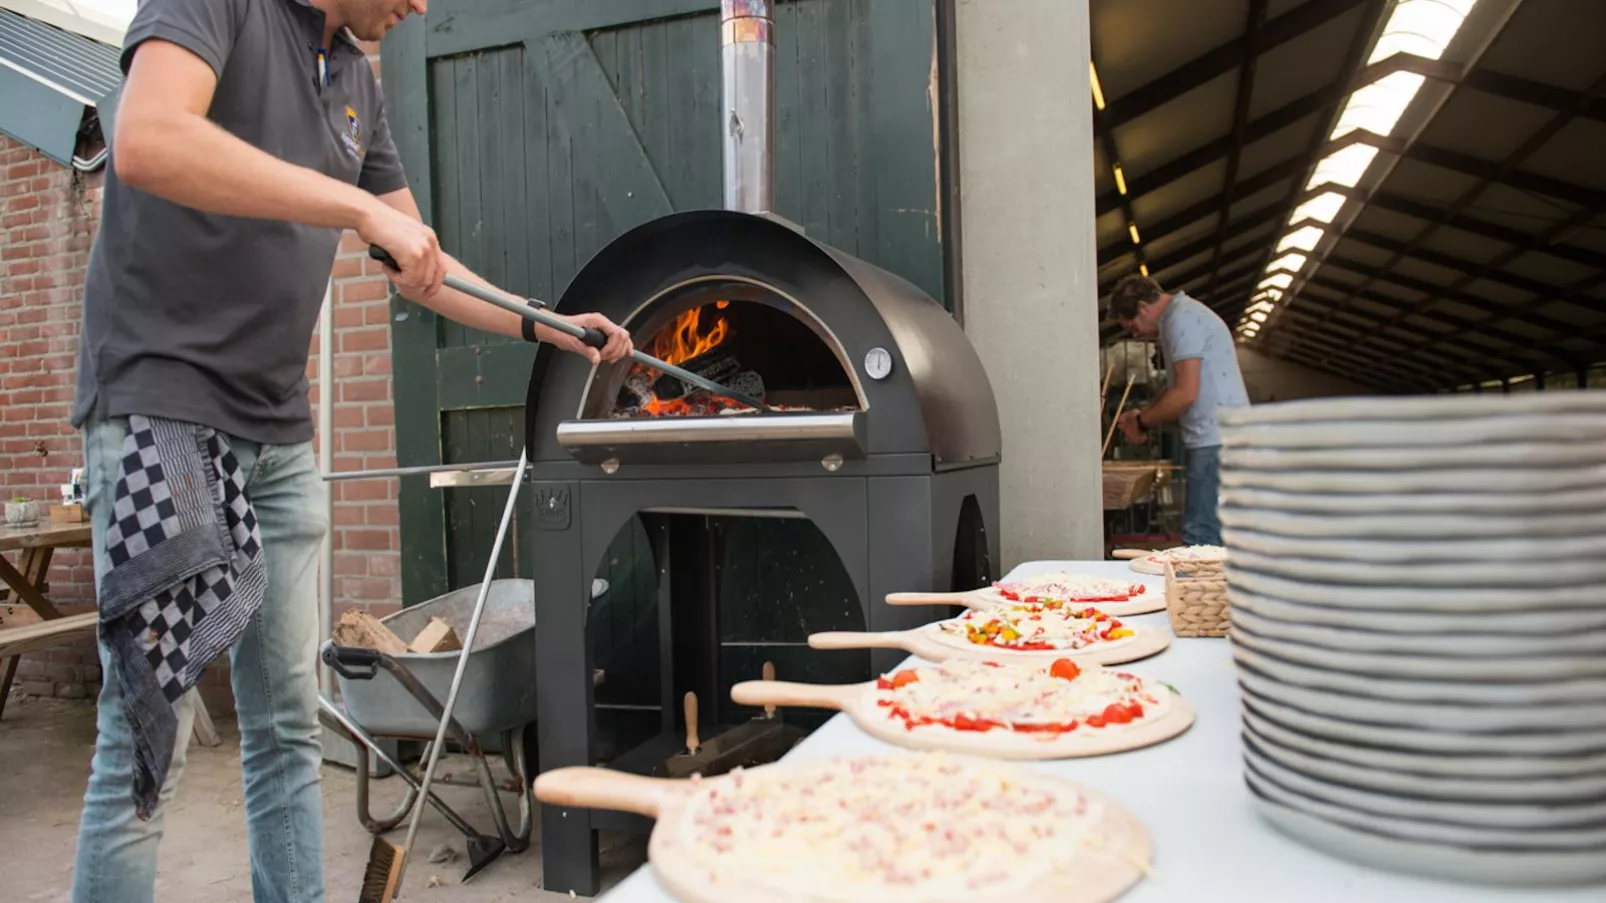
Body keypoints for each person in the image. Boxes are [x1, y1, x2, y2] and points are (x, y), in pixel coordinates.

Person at [67, 2, 633, 901]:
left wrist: (552, 325)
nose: (419, 5)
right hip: (160, 413)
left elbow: (425, 263)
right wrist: (355, 202)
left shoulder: (354, 79)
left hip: (278, 434)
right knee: (149, 733)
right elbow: (146, 139)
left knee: (290, 724)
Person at [1107, 275, 1248, 546]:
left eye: (1133, 325)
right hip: (1222, 437)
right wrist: (1141, 414)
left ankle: (1199, 590)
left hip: (1217, 440)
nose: (1136, 334)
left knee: (1201, 538)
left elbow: (1185, 394)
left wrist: (1143, 421)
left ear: (1142, 307)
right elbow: (1177, 389)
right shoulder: (1184, 316)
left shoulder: (1182, 320)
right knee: (1214, 534)